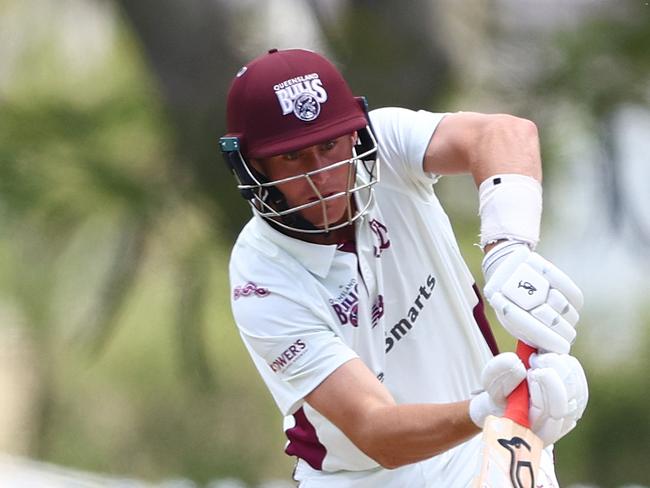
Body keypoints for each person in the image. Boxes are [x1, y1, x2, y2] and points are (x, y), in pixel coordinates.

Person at [220, 48, 588, 487]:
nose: (322, 175)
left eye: (329, 146)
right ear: (252, 165)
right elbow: (376, 430)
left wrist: (507, 249)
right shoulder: (260, 277)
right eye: (294, 158)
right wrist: (485, 409)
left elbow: (506, 133)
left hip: (484, 448)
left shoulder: (387, 144)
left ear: (354, 133)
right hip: (362, 477)